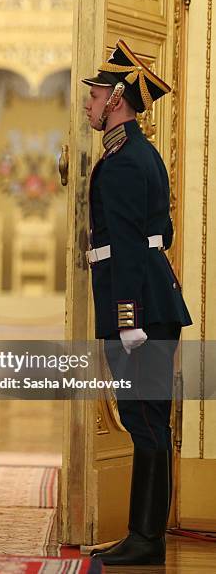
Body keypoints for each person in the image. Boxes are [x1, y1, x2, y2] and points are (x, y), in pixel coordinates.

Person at [82, 40, 192, 566]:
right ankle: (145, 534)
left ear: (118, 98)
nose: (89, 103)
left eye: (97, 93)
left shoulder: (125, 161)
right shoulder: (139, 153)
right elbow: (161, 232)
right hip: (154, 300)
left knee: (144, 420)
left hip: (140, 310)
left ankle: (146, 538)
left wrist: (128, 318)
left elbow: (128, 244)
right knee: (151, 419)